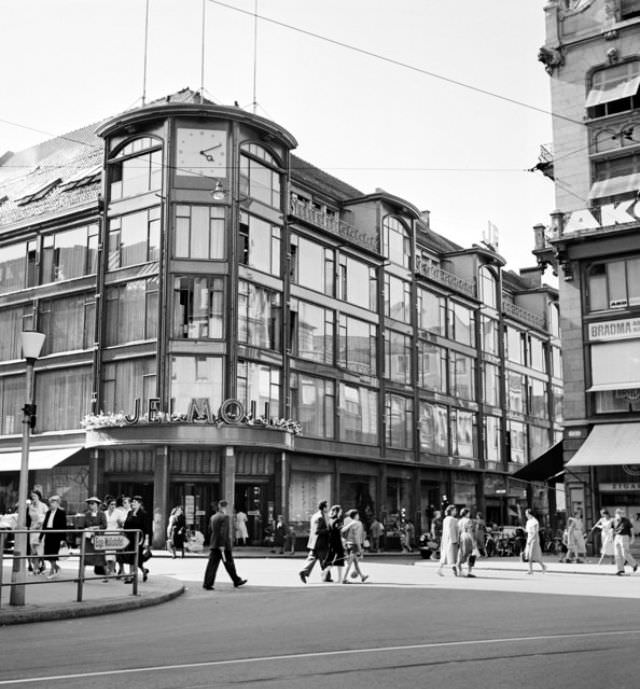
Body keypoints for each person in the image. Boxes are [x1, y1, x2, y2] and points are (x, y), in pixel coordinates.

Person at [202, 500, 247, 590]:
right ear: (225, 507)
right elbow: (224, 532)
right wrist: (222, 545)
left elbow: (210, 530)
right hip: (223, 545)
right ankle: (236, 580)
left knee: (212, 564)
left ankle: (207, 583)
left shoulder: (213, 517)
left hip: (214, 544)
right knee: (229, 563)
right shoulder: (225, 517)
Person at [122, 495, 152, 583]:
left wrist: (146, 541)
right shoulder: (130, 513)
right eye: (132, 502)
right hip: (130, 538)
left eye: (135, 502)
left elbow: (147, 529)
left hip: (139, 539)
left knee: (135, 557)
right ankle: (143, 571)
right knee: (132, 557)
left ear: (139, 504)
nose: (132, 504)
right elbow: (126, 526)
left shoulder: (143, 514)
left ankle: (131, 576)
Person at [299, 500, 330, 584]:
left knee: (313, 558)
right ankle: (326, 576)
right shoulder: (320, 517)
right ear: (324, 508)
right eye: (327, 506)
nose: (328, 508)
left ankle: (304, 571)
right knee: (324, 558)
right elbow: (318, 531)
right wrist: (328, 530)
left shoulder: (314, 516)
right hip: (321, 542)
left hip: (314, 541)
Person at [39, 495, 67, 579]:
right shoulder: (48, 512)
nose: (51, 504)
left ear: (58, 503)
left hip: (56, 535)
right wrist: (40, 537)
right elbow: (44, 525)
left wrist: (63, 539)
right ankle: (57, 568)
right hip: (48, 534)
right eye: (50, 502)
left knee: (53, 554)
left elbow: (63, 526)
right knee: (47, 554)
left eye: (54, 502)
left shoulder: (61, 513)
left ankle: (52, 570)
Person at [82, 496, 108, 579]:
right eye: (89, 504)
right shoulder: (87, 514)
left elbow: (104, 525)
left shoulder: (101, 514)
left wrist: (96, 528)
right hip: (89, 538)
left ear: (97, 505)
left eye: (92, 504)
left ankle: (106, 576)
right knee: (85, 557)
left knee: (100, 556)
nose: (91, 505)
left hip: (98, 537)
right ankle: (81, 576)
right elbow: (84, 525)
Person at [341, 509, 369, 583]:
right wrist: (360, 549)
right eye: (358, 515)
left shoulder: (349, 522)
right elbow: (357, 537)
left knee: (355, 562)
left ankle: (362, 576)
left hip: (348, 544)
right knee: (350, 563)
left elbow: (342, 531)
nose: (358, 516)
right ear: (356, 516)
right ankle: (344, 579)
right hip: (354, 545)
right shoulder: (358, 523)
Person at [27, 489, 48, 574]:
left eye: (35, 496)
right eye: (32, 497)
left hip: (40, 530)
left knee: (39, 549)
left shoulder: (43, 506)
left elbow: (45, 518)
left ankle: (36, 568)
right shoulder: (30, 506)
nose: (33, 498)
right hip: (32, 529)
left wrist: (39, 525)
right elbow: (28, 518)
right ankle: (41, 565)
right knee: (33, 549)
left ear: (39, 496)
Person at [323, 505, 346, 583]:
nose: (341, 513)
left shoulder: (330, 520)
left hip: (331, 542)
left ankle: (326, 571)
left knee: (332, 558)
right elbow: (340, 530)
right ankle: (339, 578)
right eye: (340, 511)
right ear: (337, 512)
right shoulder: (338, 520)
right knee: (340, 560)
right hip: (337, 542)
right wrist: (350, 524)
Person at [613, 508, 638, 576]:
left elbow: (631, 528)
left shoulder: (626, 520)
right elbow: (613, 529)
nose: (619, 514)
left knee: (625, 553)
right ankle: (620, 570)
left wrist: (633, 537)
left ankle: (634, 564)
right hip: (617, 537)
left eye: (620, 513)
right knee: (617, 554)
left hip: (624, 537)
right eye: (618, 513)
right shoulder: (614, 520)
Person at [437, 505, 459, 576]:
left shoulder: (445, 519)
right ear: (451, 511)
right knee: (452, 556)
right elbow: (452, 530)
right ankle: (454, 570)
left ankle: (439, 569)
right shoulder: (453, 519)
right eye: (455, 510)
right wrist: (455, 540)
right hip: (452, 539)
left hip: (445, 539)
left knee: (445, 555)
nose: (456, 512)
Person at [524, 508, 547, 574]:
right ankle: (542, 566)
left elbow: (535, 532)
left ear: (529, 514)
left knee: (531, 555)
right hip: (529, 538)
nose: (526, 515)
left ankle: (531, 570)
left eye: (526, 513)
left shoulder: (534, 521)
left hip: (534, 539)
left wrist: (530, 540)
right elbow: (527, 531)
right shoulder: (528, 521)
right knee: (530, 555)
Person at [457, 508, 477, 578]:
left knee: (461, 553)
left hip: (462, 537)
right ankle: (469, 571)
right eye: (468, 512)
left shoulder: (459, 521)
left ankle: (459, 569)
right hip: (467, 537)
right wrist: (473, 541)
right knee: (471, 554)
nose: (469, 514)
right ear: (466, 513)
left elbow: (458, 531)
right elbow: (470, 531)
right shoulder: (468, 520)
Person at [104, 496, 121, 576]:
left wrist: (120, 522)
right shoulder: (105, 513)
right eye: (111, 504)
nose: (113, 506)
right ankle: (108, 570)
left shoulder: (118, 512)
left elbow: (121, 524)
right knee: (107, 554)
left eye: (114, 504)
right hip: (106, 534)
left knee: (113, 554)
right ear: (108, 505)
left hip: (115, 534)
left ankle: (113, 570)